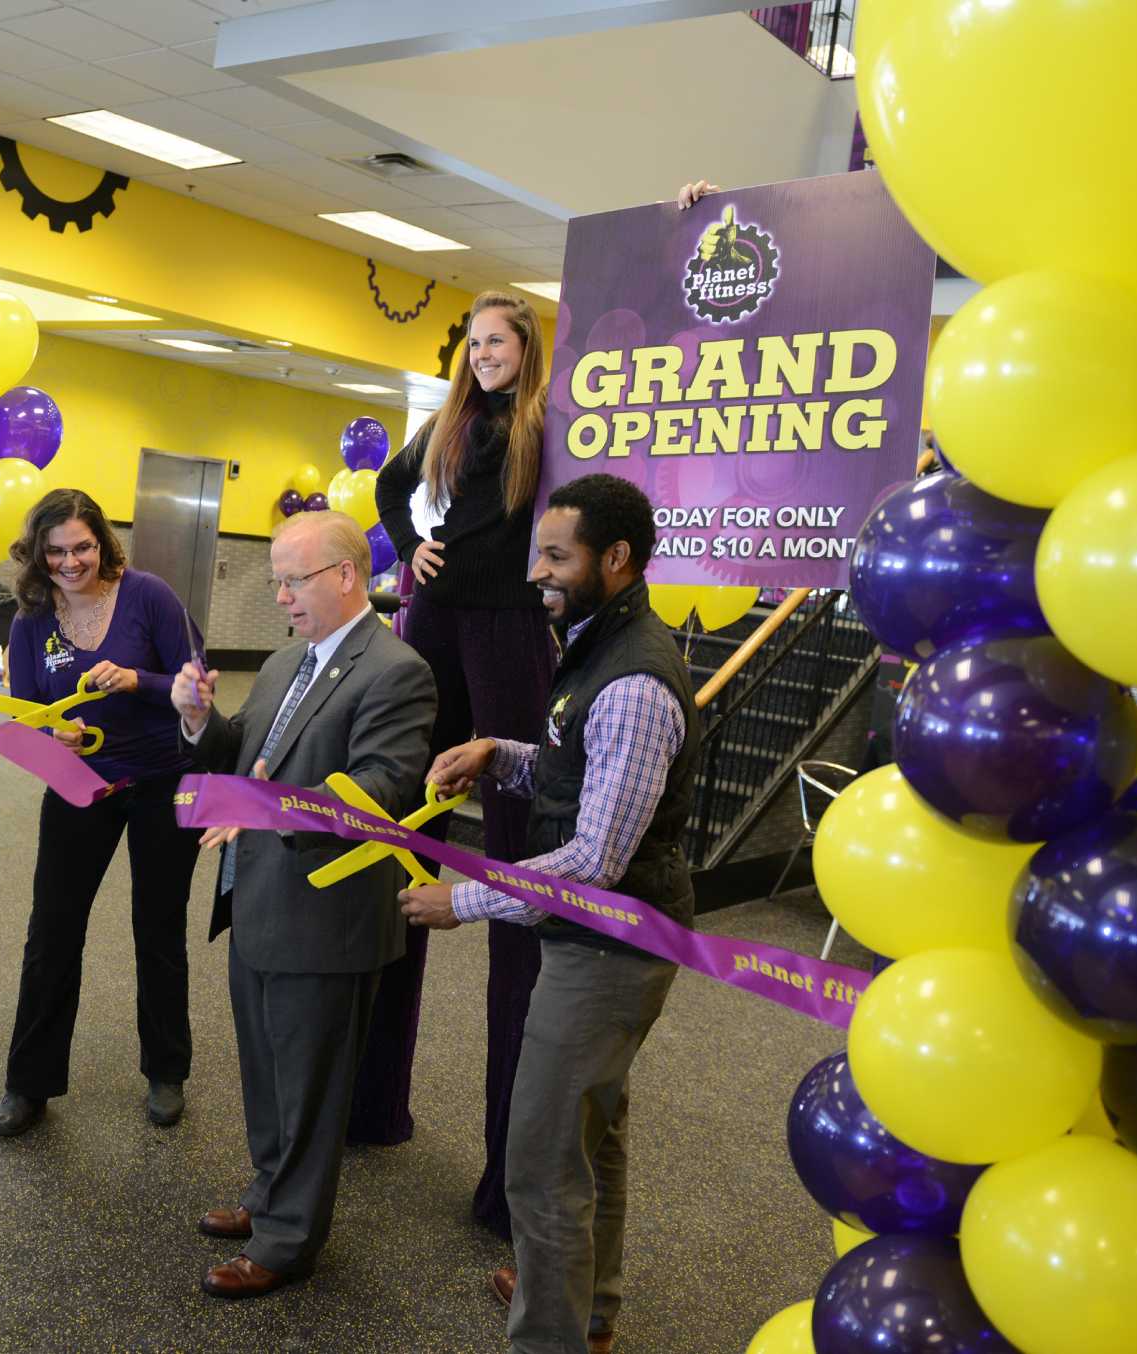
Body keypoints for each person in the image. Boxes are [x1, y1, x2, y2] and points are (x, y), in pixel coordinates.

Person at [401, 473, 700, 1354]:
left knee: (539, 1163)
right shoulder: (593, 645)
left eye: (557, 557)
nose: (538, 573)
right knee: (589, 1140)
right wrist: (502, 754)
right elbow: (577, 771)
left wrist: (465, 899)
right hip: (594, 941)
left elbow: (593, 862)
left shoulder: (636, 681)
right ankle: (584, 1308)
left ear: (617, 560)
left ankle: (552, 1335)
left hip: (609, 947)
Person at [170, 510, 436, 1300]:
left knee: (311, 1088)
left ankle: (289, 1241)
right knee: (266, 1070)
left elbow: (381, 790)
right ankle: (267, 1196)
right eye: (277, 580)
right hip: (259, 900)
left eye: (292, 580)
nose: (280, 595)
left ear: (346, 576)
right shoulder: (291, 662)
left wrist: (266, 809)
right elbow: (245, 755)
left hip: (328, 916)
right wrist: (197, 720)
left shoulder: (397, 670)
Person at [365, 288, 559, 1228]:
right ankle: (373, 1104)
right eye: (475, 342)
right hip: (437, 618)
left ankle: (505, 1177)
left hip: (511, 630)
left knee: (519, 856)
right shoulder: (448, 420)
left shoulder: (548, 425)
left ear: (528, 347)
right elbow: (388, 489)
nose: (485, 354)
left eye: (499, 341)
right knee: (407, 832)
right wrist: (412, 549)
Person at [0, 488, 205, 1138]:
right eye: (56, 551)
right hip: (80, 785)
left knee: (159, 926)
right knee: (52, 932)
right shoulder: (31, 619)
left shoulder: (149, 596)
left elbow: (195, 683)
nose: (71, 562)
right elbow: (27, 710)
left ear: (102, 543)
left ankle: (167, 1069)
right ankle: (28, 1083)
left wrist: (141, 680)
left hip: (163, 780)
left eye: (82, 547)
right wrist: (50, 735)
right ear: (39, 555)